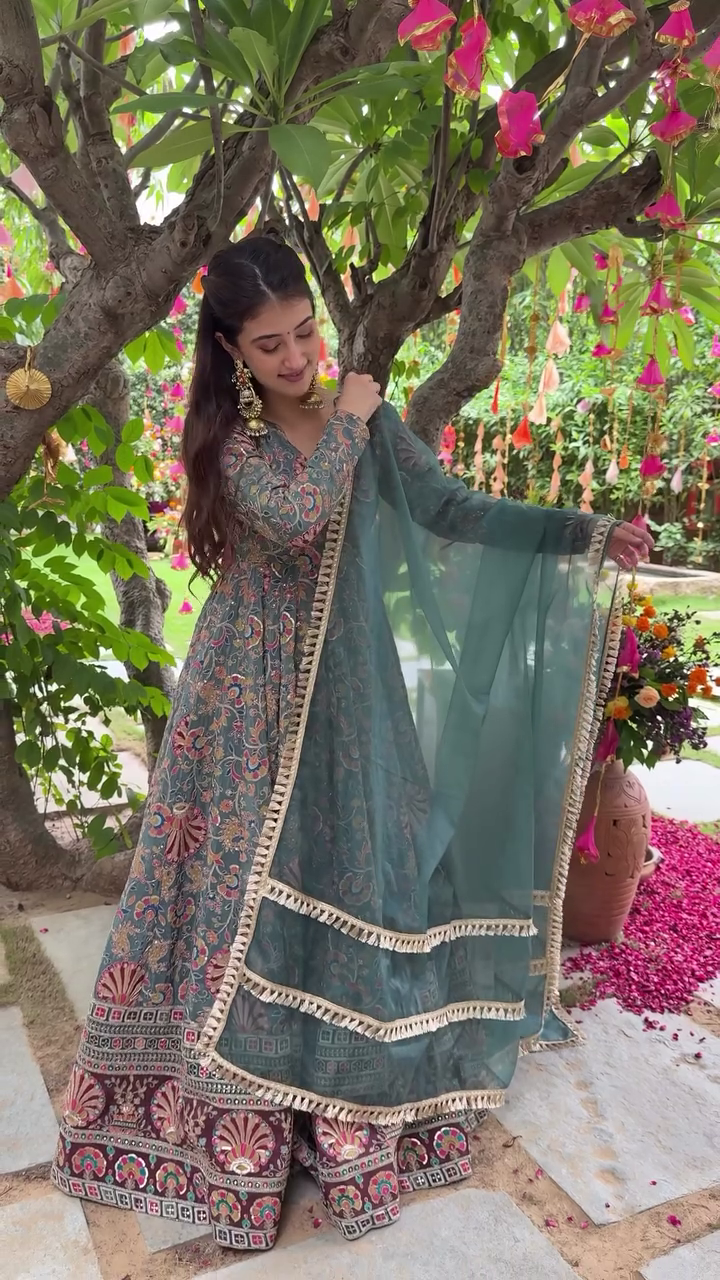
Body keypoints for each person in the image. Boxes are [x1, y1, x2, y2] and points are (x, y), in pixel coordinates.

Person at [52, 236, 652, 1250]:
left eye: (305, 333)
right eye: (270, 345)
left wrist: (581, 531)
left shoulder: (362, 421)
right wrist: (352, 419)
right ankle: (238, 1124)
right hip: (248, 695)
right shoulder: (234, 440)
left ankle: (346, 1100)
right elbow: (293, 518)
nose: (296, 358)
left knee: (361, 870)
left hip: (352, 689)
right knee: (239, 889)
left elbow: (450, 506)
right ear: (232, 350)